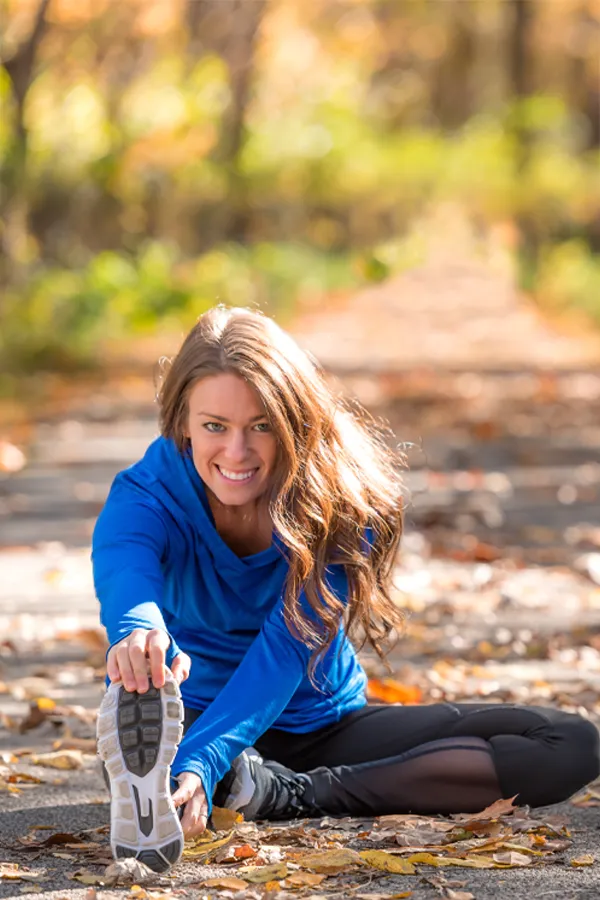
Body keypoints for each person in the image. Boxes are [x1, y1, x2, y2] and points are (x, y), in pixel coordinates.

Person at [93, 306, 599, 873]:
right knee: (156, 756)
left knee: (572, 742)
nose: (236, 452)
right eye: (215, 426)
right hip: (193, 719)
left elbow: (286, 649)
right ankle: (186, 780)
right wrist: (137, 629)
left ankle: (285, 794)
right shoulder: (149, 490)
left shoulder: (340, 501)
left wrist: (208, 762)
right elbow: (124, 561)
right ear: (182, 420)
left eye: (261, 426)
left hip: (320, 727)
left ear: (293, 420)